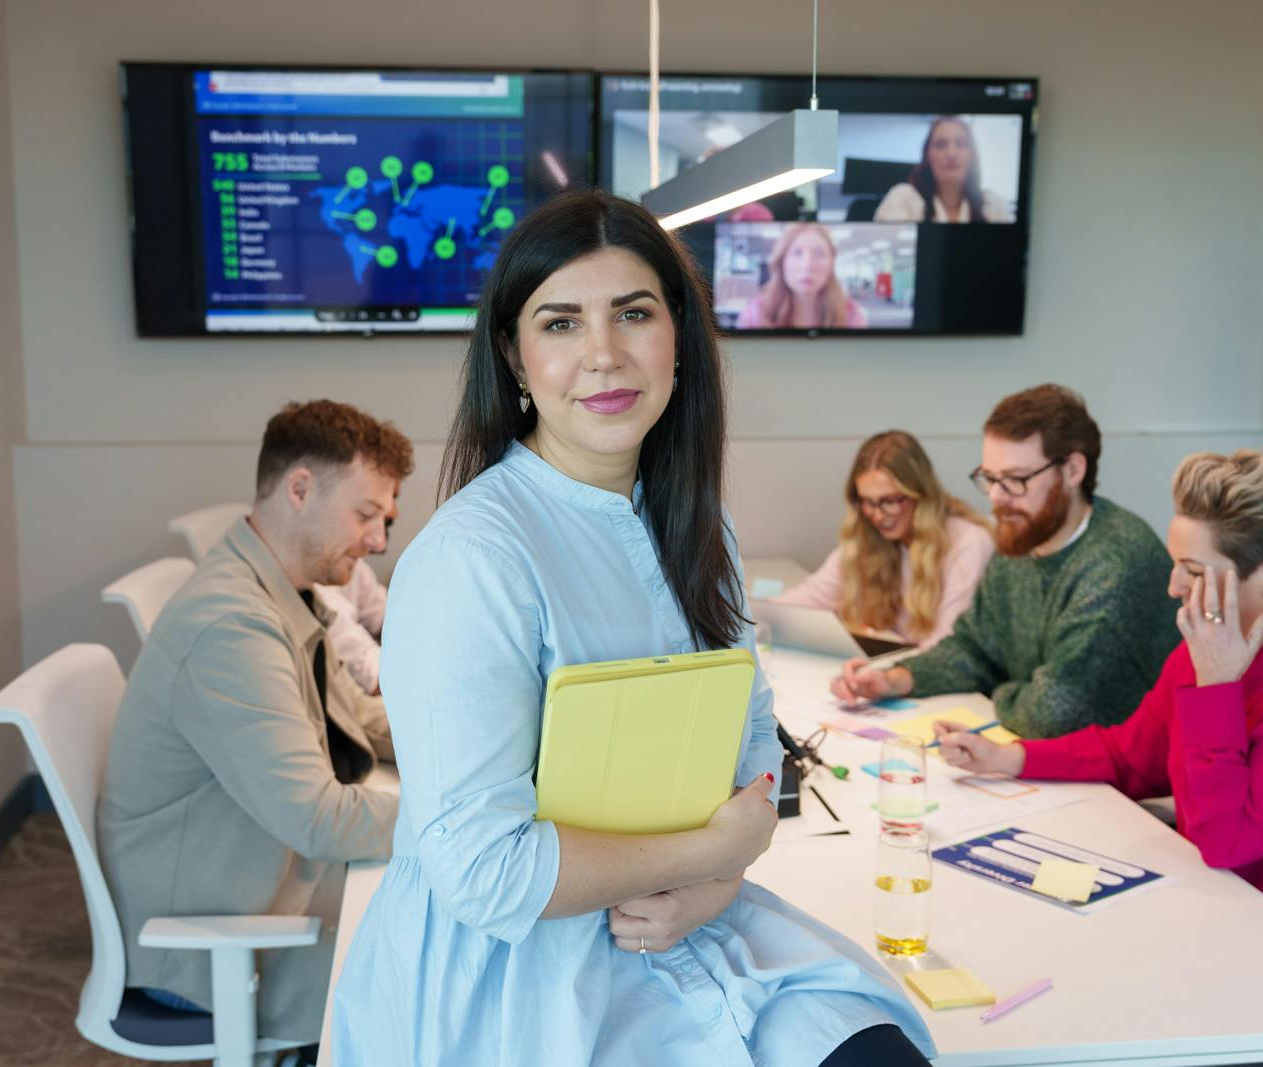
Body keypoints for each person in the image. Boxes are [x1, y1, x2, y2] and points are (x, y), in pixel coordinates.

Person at [333, 189, 933, 1066]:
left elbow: (752, 732)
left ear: (679, 337)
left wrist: (720, 874)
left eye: (634, 313)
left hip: (689, 920)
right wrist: (712, 850)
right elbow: (484, 871)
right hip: (520, 971)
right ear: (513, 355)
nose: (605, 354)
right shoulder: (472, 558)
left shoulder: (698, 522)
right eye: (561, 322)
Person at [933, 449, 1263, 992]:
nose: (1173, 586)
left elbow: (1226, 841)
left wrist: (1216, 689)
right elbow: (1130, 755)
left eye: (1193, 571)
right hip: (1235, 924)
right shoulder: (1204, 651)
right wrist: (1010, 757)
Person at [97, 399, 412, 1043]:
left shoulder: (278, 590)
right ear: (300, 489)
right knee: (460, 975)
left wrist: (481, 754)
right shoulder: (233, 625)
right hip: (212, 952)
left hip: (268, 888)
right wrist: (473, 817)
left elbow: (360, 718)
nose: (378, 542)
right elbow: (320, 819)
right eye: (365, 515)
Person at [831, 385, 1179, 738]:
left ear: (1073, 470)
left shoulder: (1113, 564)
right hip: (1051, 753)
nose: (997, 497)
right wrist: (895, 679)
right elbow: (974, 648)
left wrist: (1000, 689)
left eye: (1015, 479)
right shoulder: (1024, 534)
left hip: (1124, 770)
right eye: (990, 478)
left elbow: (1054, 715)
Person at [775, 430, 994, 648]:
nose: (878, 516)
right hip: (900, 662)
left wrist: (890, 670)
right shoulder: (868, 537)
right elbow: (812, 596)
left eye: (889, 501)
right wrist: (759, 618)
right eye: (868, 502)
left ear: (920, 494)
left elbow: (948, 645)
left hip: (931, 666)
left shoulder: (969, 542)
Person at [315, 485, 400, 700]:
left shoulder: (353, 565)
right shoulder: (315, 591)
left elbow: (386, 613)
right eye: (367, 513)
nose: (394, 512)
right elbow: (379, 678)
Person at [873, 115, 1013, 224]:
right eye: (941, 145)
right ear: (928, 155)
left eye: (961, 144)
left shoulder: (994, 205)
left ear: (972, 155)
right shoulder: (903, 199)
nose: (951, 154)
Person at [735, 223, 869, 329]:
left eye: (819, 254)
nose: (807, 265)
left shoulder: (852, 315)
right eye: (797, 253)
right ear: (782, 262)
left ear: (832, 263)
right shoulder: (754, 313)